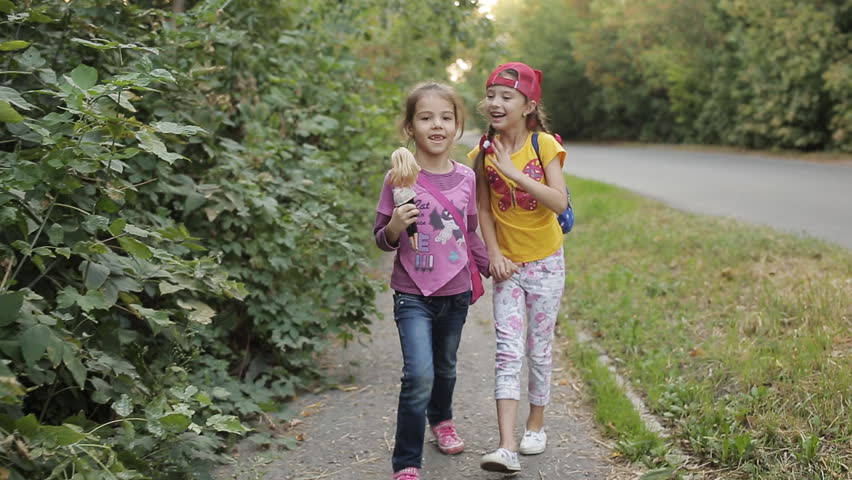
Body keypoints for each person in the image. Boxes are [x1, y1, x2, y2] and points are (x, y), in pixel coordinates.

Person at [374, 82, 490, 480]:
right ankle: (407, 459)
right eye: (425, 117)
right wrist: (393, 226)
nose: (436, 125)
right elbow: (382, 240)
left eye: (445, 117)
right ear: (410, 127)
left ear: (457, 126)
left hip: (455, 292)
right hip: (412, 293)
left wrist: (494, 265)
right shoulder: (398, 178)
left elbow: (470, 230)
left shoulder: (466, 179)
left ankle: (442, 420)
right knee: (418, 373)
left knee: (445, 367)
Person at [467, 62, 568, 473]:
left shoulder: (544, 145)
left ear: (528, 105)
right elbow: (483, 207)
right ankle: (506, 445)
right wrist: (492, 254)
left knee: (538, 350)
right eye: (491, 95)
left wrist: (513, 173)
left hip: (546, 262)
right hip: (508, 267)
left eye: (506, 97)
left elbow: (558, 201)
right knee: (507, 352)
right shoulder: (482, 152)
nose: (495, 103)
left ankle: (535, 425)